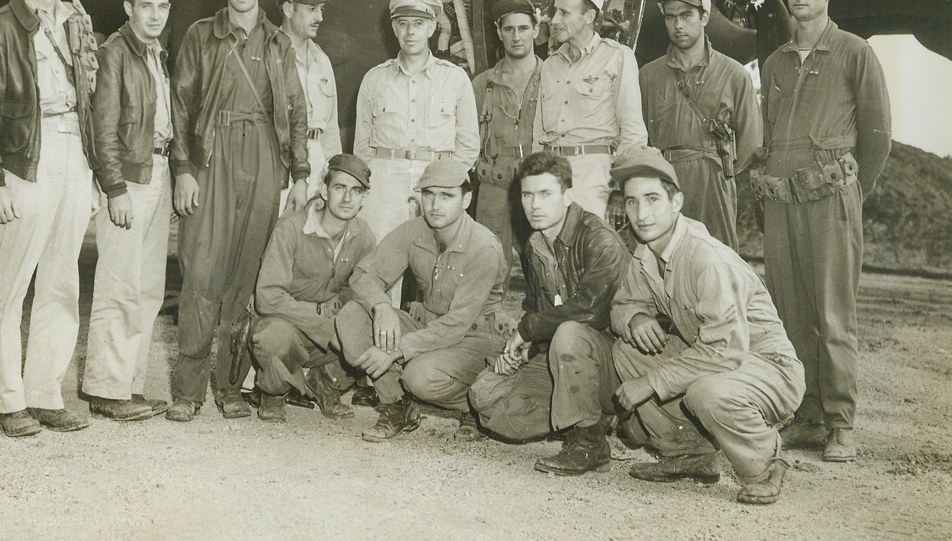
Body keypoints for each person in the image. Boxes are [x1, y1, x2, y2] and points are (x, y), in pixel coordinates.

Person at [538, 147, 804, 507]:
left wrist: (652, 382)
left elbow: (725, 350)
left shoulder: (704, 257)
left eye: (652, 199)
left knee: (705, 393)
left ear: (676, 201)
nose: (641, 214)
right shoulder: (646, 251)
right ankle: (689, 454)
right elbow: (621, 306)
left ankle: (765, 462)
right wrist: (636, 318)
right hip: (722, 359)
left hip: (767, 367)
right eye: (632, 202)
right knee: (627, 350)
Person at [755, 0, 892, 463]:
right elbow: (768, 138)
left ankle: (840, 422)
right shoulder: (775, 62)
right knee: (790, 314)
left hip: (831, 200)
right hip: (782, 203)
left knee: (834, 315)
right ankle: (806, 414)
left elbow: (877, 138)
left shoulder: (856, 53)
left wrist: (850, 193)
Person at [168, 0, 311, 422]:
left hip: (265, 157)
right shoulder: (201, 35)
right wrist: (184, 170)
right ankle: (188, 390)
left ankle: (229, 385)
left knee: (246, 276)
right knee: (202, 272)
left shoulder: (278, 43)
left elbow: (294, 109)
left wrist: (301, 174)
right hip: (214, 156)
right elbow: (181, 105)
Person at [0, 0, 98, 437]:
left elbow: (89, 97)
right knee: (13, 283)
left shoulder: (76, 19)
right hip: (27, 156)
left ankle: (45, 393)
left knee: (62, 278)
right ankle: (7, 400)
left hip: (74, 150)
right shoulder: (2, 25)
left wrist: (92, 169)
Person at [335, 160, 504, 442]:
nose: (435, 204)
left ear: (467, 199)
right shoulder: (415, 230)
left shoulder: (483, 246)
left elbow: (457, 324)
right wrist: (382, 306)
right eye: (429, 194)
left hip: (474, 337)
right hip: (428, 326)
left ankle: (475, 404)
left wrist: (396, 349)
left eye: (447, 196)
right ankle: (398, 406)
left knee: (420, 377)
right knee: (352, 317)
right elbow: (363, 276)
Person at [467, 151, 629, 442]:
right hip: (562, 356)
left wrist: (529, 330)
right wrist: (522, 352)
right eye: (527, 195)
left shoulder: (598, 239)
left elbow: (591, 312)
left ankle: (588, 440)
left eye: (545, 194)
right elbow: (535, 308)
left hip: (613, 362)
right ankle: (585, 416)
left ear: (567, 196)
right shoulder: (535, 244)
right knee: (487, 400)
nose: (535, 205)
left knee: (570, 332)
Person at [80, 0, 174, 422]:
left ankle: (129, 387)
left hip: (158, 170)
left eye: (162, 6)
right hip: (131, 180)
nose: (155, 15)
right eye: (146, 6)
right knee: (119, 285)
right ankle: (105, 389)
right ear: (128, 8)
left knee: (147, 288)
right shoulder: (115, 52)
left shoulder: (156, 54)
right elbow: (103, 127)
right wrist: (113, 187)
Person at [354, 0, 479, 306]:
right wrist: (379, 182)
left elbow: (467, 146)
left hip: (435, 182)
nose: (410, 32)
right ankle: (380, 342)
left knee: (441, 269)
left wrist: (447, 185)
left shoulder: (455, 79)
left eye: (419, 24)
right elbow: (362, 147)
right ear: (394, 27)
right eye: (403, 23)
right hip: (386, 182)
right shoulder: (374, 79)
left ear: (432, 26)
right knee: (381, 267)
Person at [251, 154, 377, 424]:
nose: (347, 199)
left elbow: (363, 290)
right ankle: (274, 391)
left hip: (326, 327)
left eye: (356, 191)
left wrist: (347, 320)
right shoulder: (292, 227)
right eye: (340, 188)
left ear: (364, 199)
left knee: (372, 328)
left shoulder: (363, 235)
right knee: (273, 337)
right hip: (287, 322)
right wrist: (325, 328)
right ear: (324, 190)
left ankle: (326, 383)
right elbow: (268, 297)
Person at [639, 0, 763, 248]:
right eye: (670, 18)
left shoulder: (735, 75)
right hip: (663, 182)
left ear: (704, 16)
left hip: (713, 184)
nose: (678, 25)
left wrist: (717, 169)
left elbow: (752, 143)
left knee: (716, 264)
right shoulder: (648, 76)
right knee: (660, 263)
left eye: (686, 16)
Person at [534, 0, 647, 218]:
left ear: (589, 16)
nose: (554, 20)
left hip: (594, 176)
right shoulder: (551, 64)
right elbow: (538, 133)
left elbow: (633, 131)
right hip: (551, 172)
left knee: (587, 249)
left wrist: (621, 187)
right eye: (555, 12)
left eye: (564, 12)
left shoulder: (617, 57)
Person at [471, 0, 545, 274]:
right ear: (498, 32)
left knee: (544, 267)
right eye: (509, 29)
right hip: (494, 184)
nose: (517, 37)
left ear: (536, 30)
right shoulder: (483, 83)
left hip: (538, 180)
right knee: (489, 266)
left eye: (524, 28)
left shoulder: (552, 77)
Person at [268, 0, 342, 202]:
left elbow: (331, 128)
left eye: (321, 9)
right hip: (279, 162)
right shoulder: (267, 55)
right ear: (289, 9)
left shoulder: (322, 60)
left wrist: (334, 173)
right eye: (312, 9)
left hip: (318, 164)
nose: (320, 17)